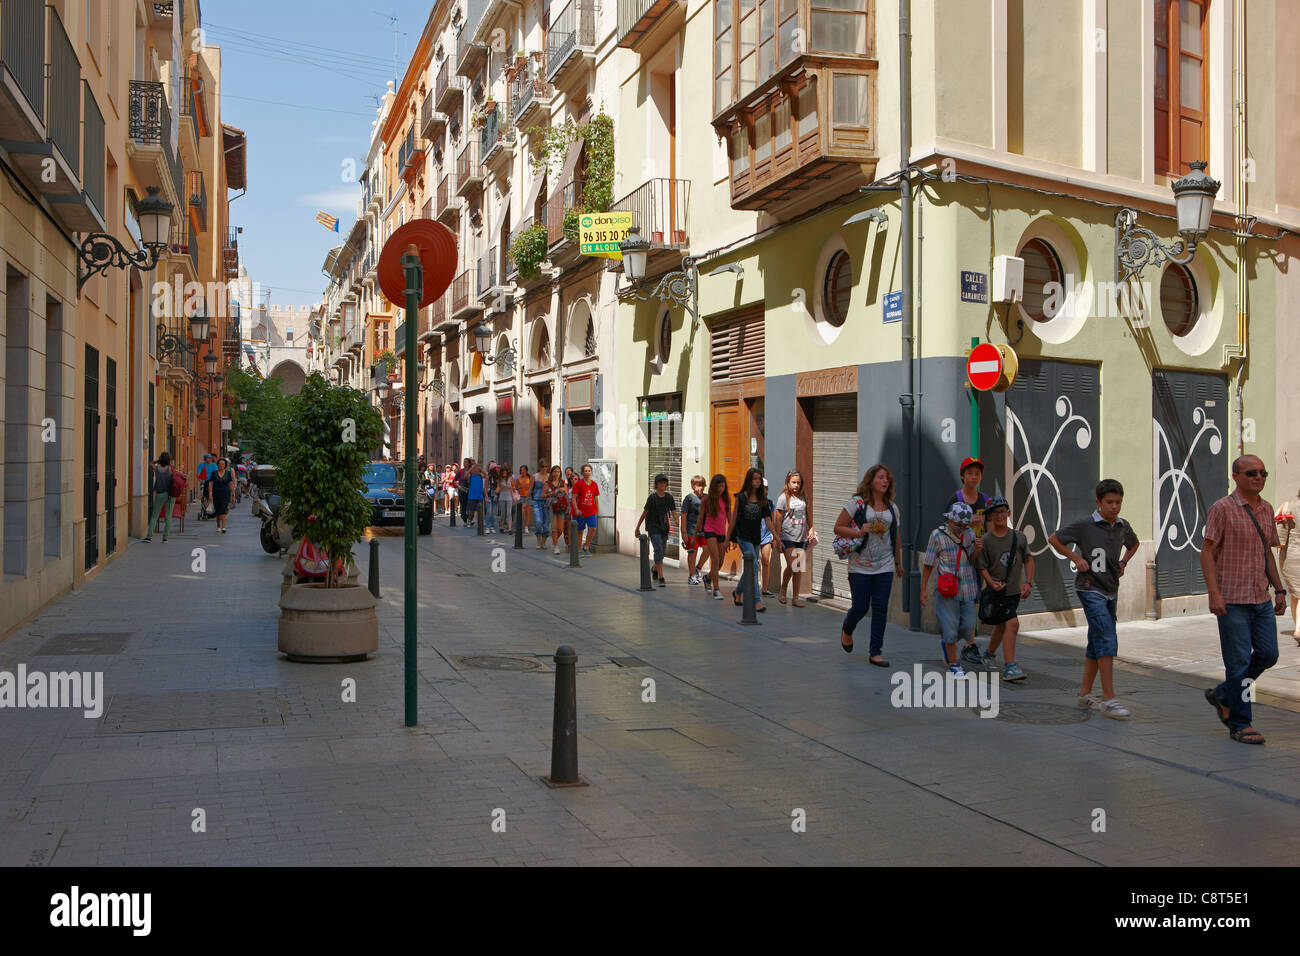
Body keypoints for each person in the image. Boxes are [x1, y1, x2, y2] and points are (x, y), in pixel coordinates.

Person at [1200, 456, 1286, 744]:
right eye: (1252, 473)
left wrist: (1280, 589)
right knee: (1237, 664)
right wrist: (1214, 593)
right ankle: (1240, 722)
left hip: (1260, 598)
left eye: (1263, 472)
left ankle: (1224, 694)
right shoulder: (1222, 509)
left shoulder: (1267, 509)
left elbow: (1267, 553)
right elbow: (1207, 552)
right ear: (1236, 476)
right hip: (1232, 599)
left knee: (1268, 654)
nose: (1259, 477)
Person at [1048, 478, 1140, 720]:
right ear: (1098, 502)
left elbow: (1134, 544)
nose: (1114, 507)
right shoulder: (1085, 525)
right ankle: (1109, 699)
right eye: (1109, 502)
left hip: (1111, 588)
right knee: (1107, 637)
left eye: (1118, 502)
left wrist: (1123, 562)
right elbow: (1054, 538)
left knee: (1096, 640)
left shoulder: (1122, 526)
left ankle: (1085, 693)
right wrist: (1075, 558)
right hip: (1090, 588)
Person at [834, 465, 902, 664]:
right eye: (881, 477)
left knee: (880, 607)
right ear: (871, 480)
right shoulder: (857, 504)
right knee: (861, 606)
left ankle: (875, 652)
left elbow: (896, 536)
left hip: (885, 564)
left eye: (887, 478)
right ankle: (847, 628)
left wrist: (898, 562)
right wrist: (859, 531)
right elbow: (837, 528)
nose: (885, 481)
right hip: (860, 565)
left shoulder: (892, 508)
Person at [975, 495, 1033, 681]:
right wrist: (991, 583)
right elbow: (981, 566)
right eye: (994, 513)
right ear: (989, 517)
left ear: (1008, 512)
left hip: (1014, 592)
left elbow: (1028, 559)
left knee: (1002, 626)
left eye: (1002, 511)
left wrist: (1028, 582)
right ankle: (1010, 666)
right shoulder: (986, 541)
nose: (999, 516)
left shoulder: (1019, 537)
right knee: (1012, 623)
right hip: (997, 592)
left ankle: (989, 654)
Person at [920, 501, 979, 676]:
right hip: (947, 589)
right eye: (958, 525)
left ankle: (947, 640)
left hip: (968, 589)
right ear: (949, 520)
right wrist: (923, 590)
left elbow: (973, 560)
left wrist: (977, 550)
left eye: (964, 525)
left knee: (969, 628)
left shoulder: (969, 535)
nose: (961, 528)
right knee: (951, 629)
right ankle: (954, 664)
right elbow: (928, 564)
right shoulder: (937, 535)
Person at [727, 467, 780, 612]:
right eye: (754, 479)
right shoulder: (741, 498)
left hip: (756, 538)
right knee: (755, 567)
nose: (757, 481)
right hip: (743, 537)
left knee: (751, 568)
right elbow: (733, 520)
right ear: (749, 480)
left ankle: (738, 592)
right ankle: (757, 601)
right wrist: (728, 538)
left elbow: (768, 520)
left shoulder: (763, 500)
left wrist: (776, 537)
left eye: (759, 479)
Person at [775, 470, 813, 607]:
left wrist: (811, 528)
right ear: (788, 482)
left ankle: (795, 598)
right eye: (794, 482)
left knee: (798, 567)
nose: (796, 485)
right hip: (787, 536)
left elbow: (808, 513)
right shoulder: (783, 498)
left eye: (799, 482)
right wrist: (777, 538)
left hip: (802, 536)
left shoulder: (804, 496)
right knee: (793, 564)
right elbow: (778, 520)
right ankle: (783, 589)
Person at [635, 474, 677, 587]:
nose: (663, 485)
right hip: (653, 527)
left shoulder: (669, 497)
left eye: (664, 483)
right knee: (658, 549)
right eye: (660, 483)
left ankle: (654, 569)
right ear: (656, 484)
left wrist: (677, 521)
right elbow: (645, 512)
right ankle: (661, 577)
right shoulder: (652, 498)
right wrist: (637, 527)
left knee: (662, 551)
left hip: (664, 527)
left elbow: (673, 511)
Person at [698, 474, 731, 600]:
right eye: (719, 486)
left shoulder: (726, 499)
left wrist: (731, 536)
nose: (721, 489)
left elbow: (730, 519)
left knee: (721, 560)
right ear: (714, 486)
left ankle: (708, 578)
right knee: (715, 559)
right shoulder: (707, 500)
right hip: (709, 530)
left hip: (721, 532)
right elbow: (700, 518)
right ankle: (716, 589)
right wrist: (695, 535)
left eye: (723, 486)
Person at [949, 456, 991, 551]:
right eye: (970, 473)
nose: (974, 477)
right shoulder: (956, 499)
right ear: (962, 476)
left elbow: (990, 530)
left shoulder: (985, 499)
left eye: (977, 473)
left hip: (981, 550)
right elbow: (948, 530)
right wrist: (967, 523)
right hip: (960, 550)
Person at [1275, 494, 1300, 643]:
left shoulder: (1287, 506)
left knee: (1296, 594)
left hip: (1290, 556)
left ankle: (1298, 627)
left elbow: (1278, 540)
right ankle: (1298, 628)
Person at [681, 475, 706, 585]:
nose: (701, 488)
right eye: (698, 485)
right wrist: (684, 531)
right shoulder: (689, 498)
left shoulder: (706, 498)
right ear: (693, 486)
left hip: (704, 531)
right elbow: (683, 515)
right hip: (691, 530)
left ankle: (698, 568)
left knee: (708, 549)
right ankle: (691, 575)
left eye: (702, 485)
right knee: (692, 553)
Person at [143, 452, 175, 542]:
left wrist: (158, 460)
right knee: (168, 516)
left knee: (155, 515)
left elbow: (151, 464)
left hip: (160, 494)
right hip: (170, 495)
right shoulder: (170, 469)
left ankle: (149, 537)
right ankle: (165, 537)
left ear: (161, 459)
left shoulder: (157, 469)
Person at [573, 463, 600, 554]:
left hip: (591, 511)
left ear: (591, 472)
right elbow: (573, 498)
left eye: (589, 471)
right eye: (585, 471)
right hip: (580, 511)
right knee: (580, 531)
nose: (587, 472)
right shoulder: (579, 484)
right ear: (582, 473)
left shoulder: (594, 484)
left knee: (593, 528)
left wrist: (597, 510)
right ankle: (578, 550)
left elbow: (595, 497)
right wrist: (576, 509)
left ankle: (586, 546)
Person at [206, 456, 235, 534]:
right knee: (218, 511)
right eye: (220, 464)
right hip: (216, 494)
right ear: (217, 465)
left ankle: (224, 527)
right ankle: (218, 526)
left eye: (223, 464)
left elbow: (231, 484)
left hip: (225, 494)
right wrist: (210, 494)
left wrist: (233, 495)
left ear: (225, 465)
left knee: (224, 509)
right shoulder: (214, 473)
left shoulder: (228, 473)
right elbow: (210, 483)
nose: (221, 465)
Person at [547, 465, 570, 554]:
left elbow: (567, 495)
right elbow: (543, 495)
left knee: (560, 529)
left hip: (561, 507)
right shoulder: (548, 483)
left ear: (560, 473)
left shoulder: (563, 482)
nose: (556, 473)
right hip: (552, 507)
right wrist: (553, 492)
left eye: (558, 471)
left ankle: (554, 541)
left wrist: (568, 507)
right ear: (552, 473)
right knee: (554, 527)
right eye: (555, 471)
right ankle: (556, 546)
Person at [532, 459, 551, 548]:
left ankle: (543, 542)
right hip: (537, 501)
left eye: (546, 466)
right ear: (539, 467)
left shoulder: (550, 476)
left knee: (546, 524)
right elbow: (530, 489)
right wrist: (526, 501)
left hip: (547, 502)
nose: (544, 468)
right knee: (538, 522)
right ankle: (538, 541)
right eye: (543, 466)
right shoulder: (535, 476)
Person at [465, 461, 485, 527]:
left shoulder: (480, 475)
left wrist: (481, 469)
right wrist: (471, 469)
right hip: (472, 496)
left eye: (477, 469)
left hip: (480, 496)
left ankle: (480, 523)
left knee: (480, 511)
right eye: (474, 469)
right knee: (471, 512)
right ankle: (469, 522)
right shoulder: (470, 476)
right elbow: (465, 476)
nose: (475, 470)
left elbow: (486, 475)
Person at [516, 466, 533, 536]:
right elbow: (516, 487)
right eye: (521, 470)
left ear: (526, 471)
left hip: (528, 497)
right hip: (521, 496)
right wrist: (520, 487)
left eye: (524, 470)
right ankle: (522, 526)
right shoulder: (518, 479)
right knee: (522, 512)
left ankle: (526, 527)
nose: (522, 471)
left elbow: (531, 487)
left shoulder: (529, 478)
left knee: (528, 512)